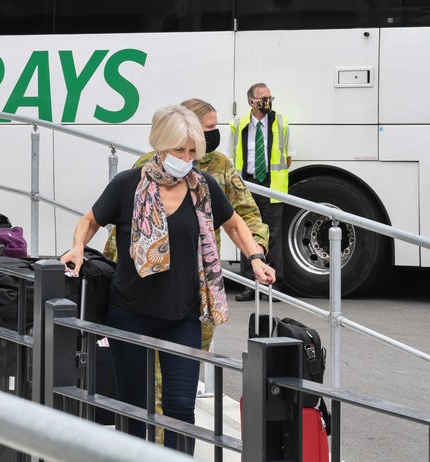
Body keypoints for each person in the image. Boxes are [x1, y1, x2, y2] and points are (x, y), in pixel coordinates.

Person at [60, 105, 275, 453]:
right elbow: (90, 221)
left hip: (182, 315)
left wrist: (255, 258)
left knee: (179, 409)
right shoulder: (128, 184)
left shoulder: (201, 187)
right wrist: (76, 248)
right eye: (180, 150)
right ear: (161, 145)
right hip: (130, 314)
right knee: (131, 410)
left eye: (192, 152)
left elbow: (235, 223)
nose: (186, 158)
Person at [230, 83, 294, 301]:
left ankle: (274, 286)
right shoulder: (239, 124)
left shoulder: (281, 122)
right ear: (251, 101)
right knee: (246, 233)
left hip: (271, 186)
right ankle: (250, 284)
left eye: (270, 97)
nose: (268, 101)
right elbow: (233, 155)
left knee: (273, 236)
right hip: (246, 186)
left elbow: (288, 158)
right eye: (263, 98)